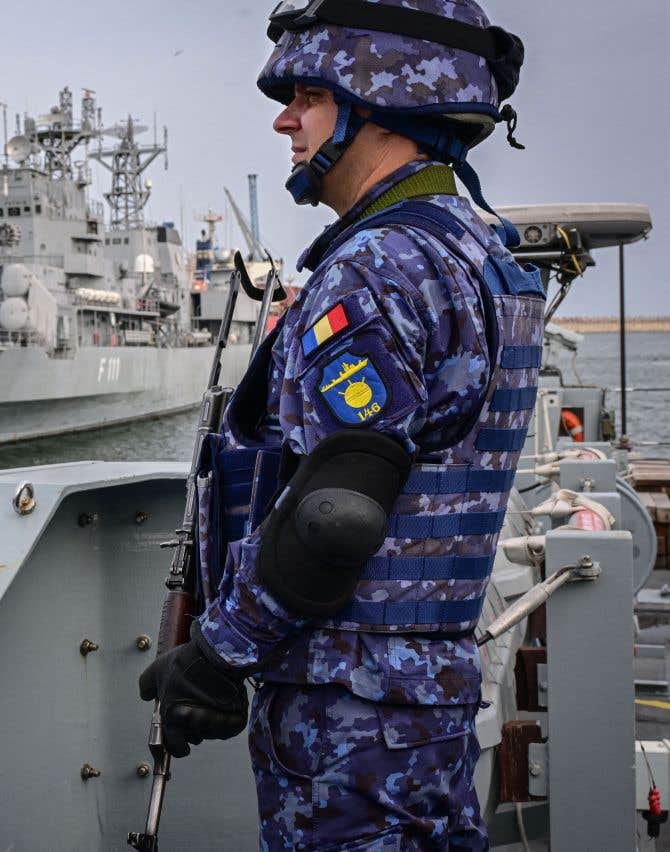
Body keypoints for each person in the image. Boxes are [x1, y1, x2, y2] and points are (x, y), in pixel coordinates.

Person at [138, 1, 540, 848]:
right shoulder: (481, 246)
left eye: (310, 96)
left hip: (349, 711)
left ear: (381, 100)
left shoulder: (378, 263)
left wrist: (215, 656)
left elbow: (335, 516)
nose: (285, 119)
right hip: (418, 692)